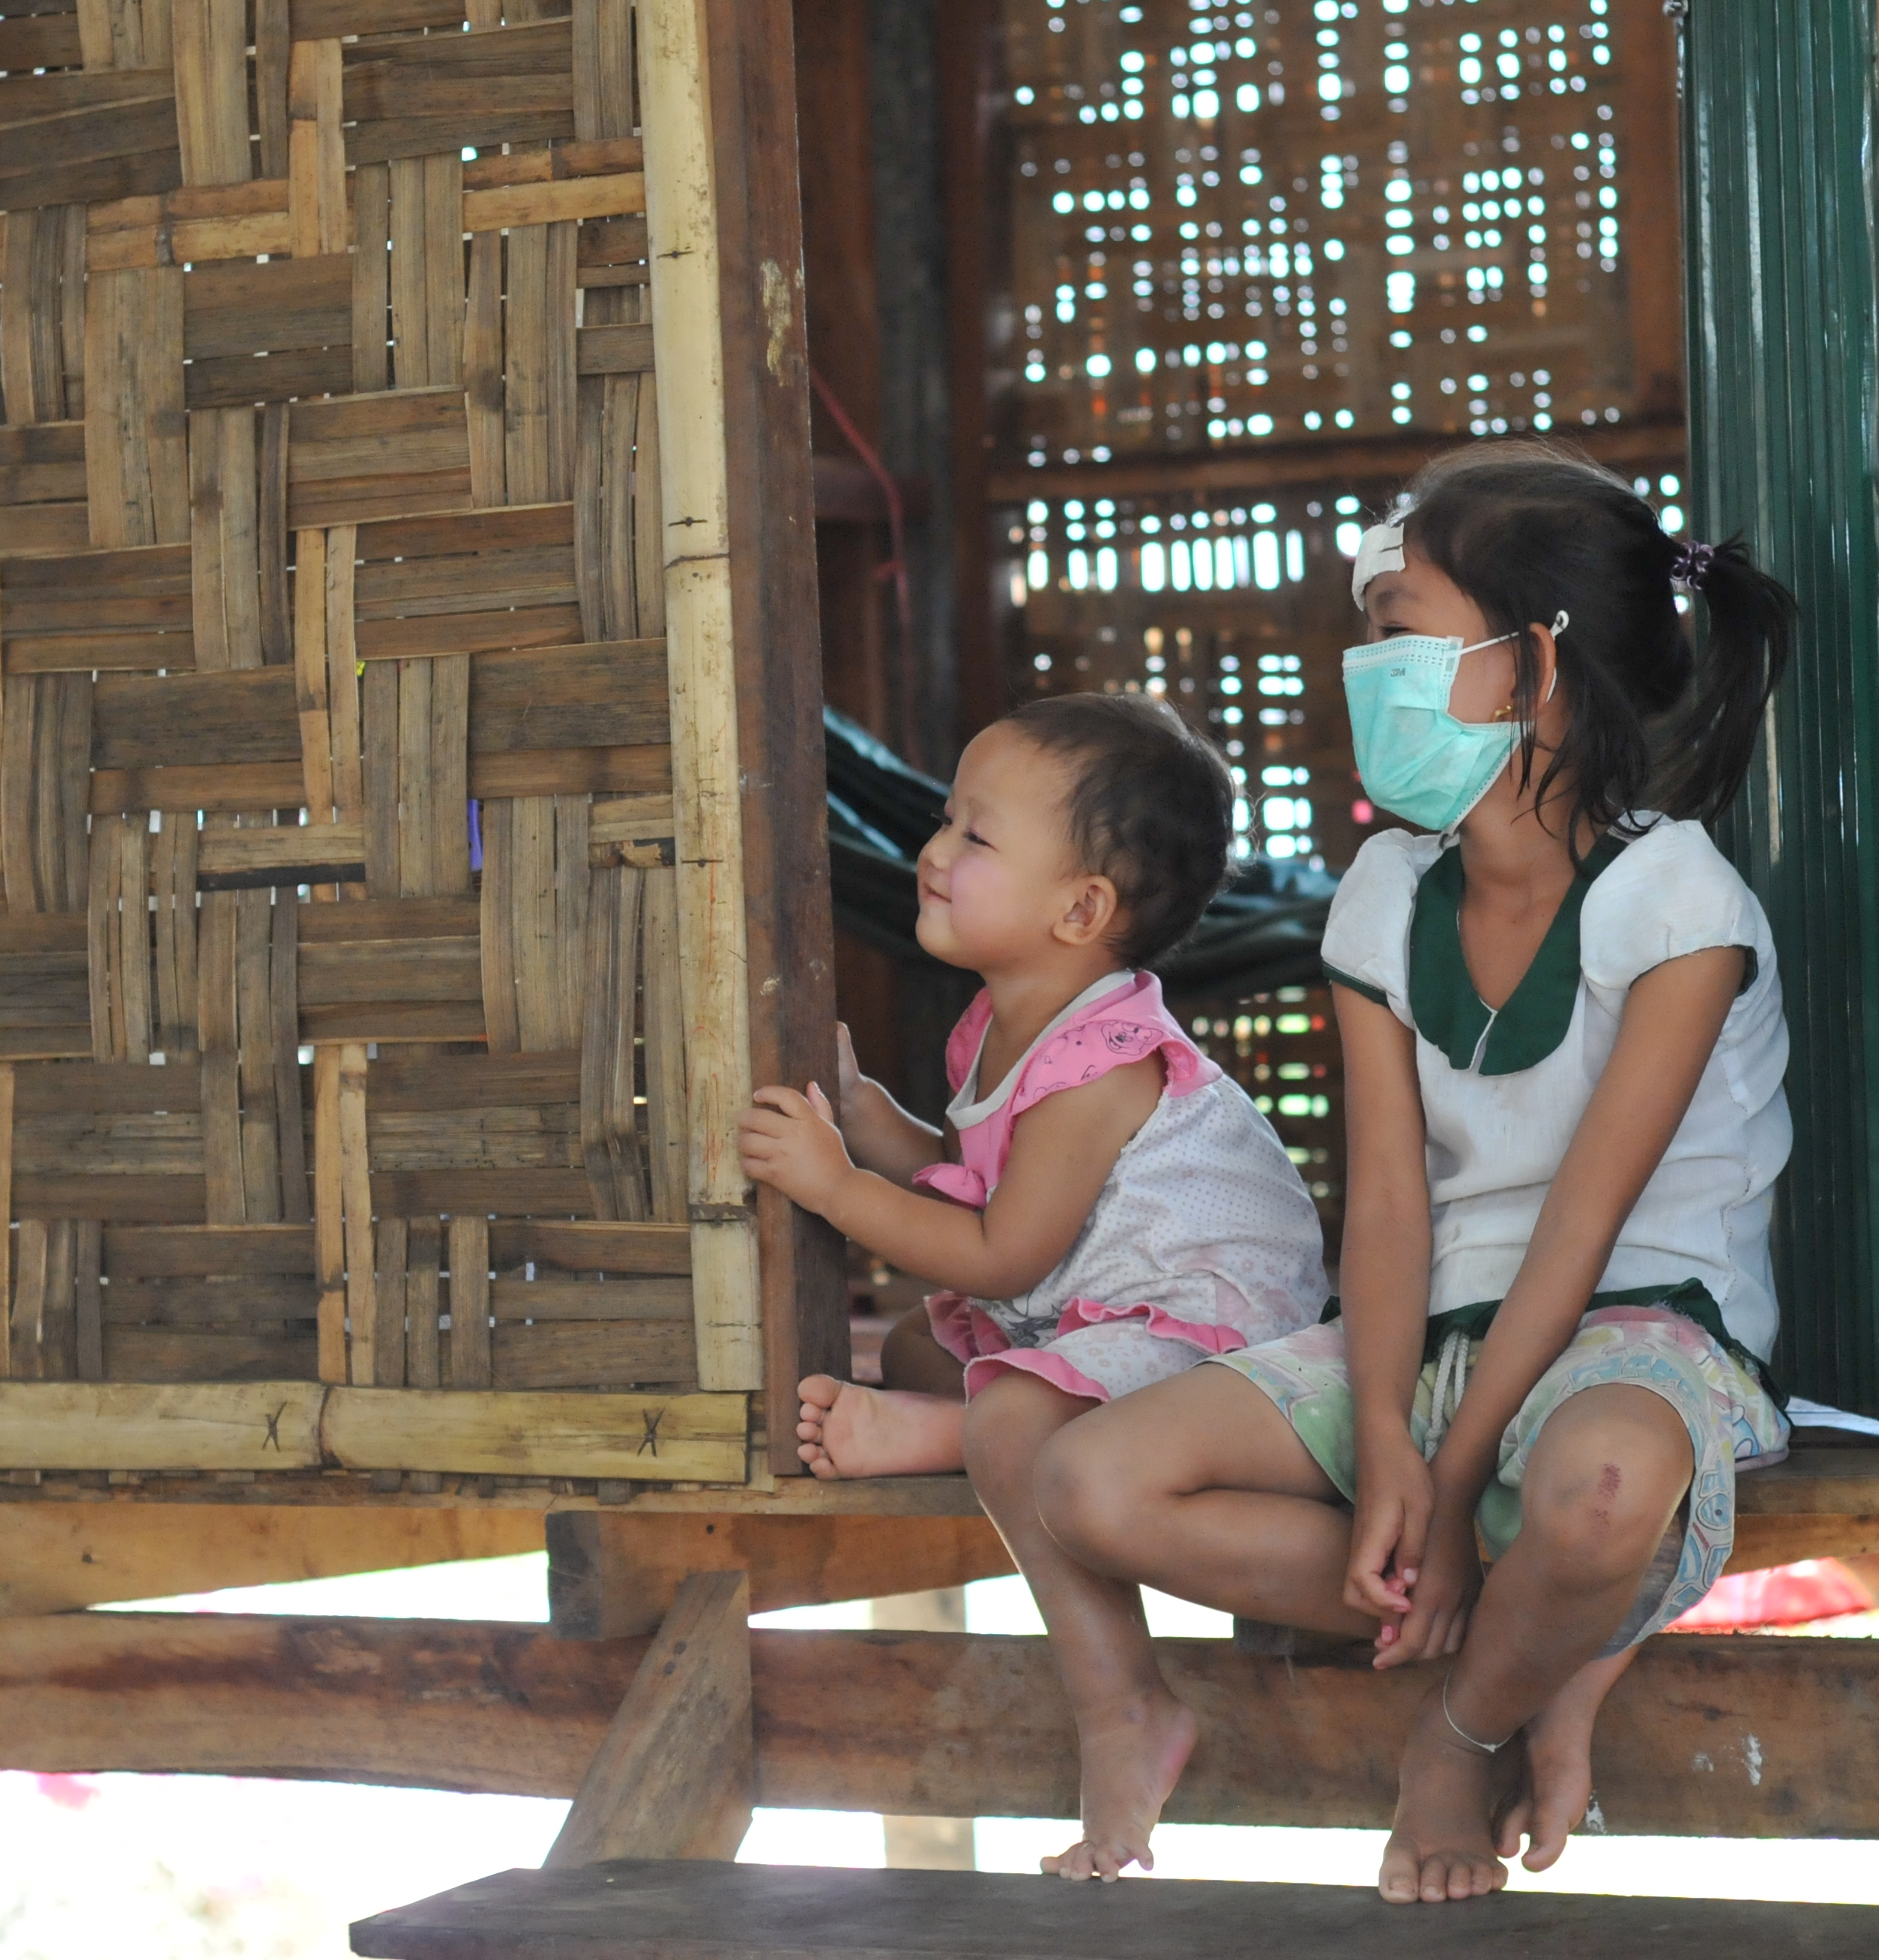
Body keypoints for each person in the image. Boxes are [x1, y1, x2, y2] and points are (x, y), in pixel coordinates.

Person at [1030, 441, 1800, 1902]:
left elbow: (1581, 1222)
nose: (1367, 666)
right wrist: (1386, 1436)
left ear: (1534, 664)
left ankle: (1460, 1725)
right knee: (1090, 1477)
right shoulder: (1385, 889)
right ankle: (1552, 1638)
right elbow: (1383, 1199)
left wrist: (1447, 1491)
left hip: (1638, 1325)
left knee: (1596, 1487)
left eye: (1401, 634)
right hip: (1434, 1325)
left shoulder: (1675, 898)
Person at [735, 691, 1329, 1881]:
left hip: (1204, 1333)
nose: (933, 851)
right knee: (914, 1349)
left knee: (1008, 1406)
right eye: (946, 822)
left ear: (1082, 910)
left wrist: (837, 1188)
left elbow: (1005, 1252)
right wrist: (869, 1122)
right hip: (1084, 1304)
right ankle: (944, 1425)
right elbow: (969, 1182)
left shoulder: (1097, 1069)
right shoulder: (1005, 1023)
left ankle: (1126, 1708)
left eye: (974, 836)